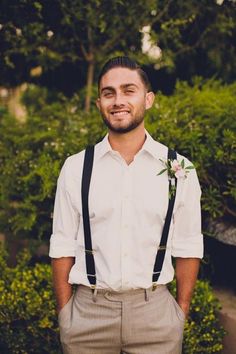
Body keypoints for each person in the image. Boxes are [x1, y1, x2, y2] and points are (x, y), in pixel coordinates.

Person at [49, 56, 203, 354]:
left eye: (128, 90)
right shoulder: (76, 167)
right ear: (99, 103)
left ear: (148, 99)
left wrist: (179, 314)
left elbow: (188, 246)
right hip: (87, 317)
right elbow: (62, 244)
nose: (117, 100)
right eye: (109, 93)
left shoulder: (179, 168)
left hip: (156, 315)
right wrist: (66, 315)